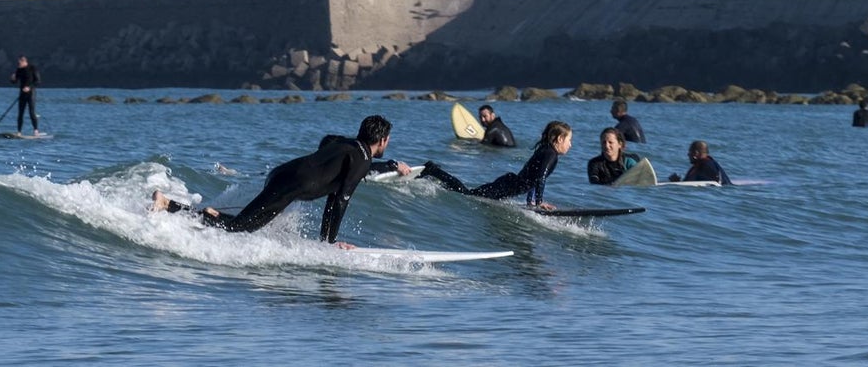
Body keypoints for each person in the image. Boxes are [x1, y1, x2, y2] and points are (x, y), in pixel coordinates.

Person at [152, 114, 393, 245]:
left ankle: (203, 212)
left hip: (283, 174)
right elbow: (339, 201)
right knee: (240, 228)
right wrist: (329, 244)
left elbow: (327, 142)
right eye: (388, 140)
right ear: (382, 140)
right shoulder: (362, 159)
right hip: (291, 184)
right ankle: (170, 205)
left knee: (246, 224)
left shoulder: (347, 144)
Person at [417, 121, 573, 210]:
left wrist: (530, 202)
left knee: (468, 193)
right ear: (560, 139)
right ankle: (433, 170)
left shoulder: (545, 150)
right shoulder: (551, 154)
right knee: (466, 194)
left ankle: (436, 176)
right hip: (508, 186)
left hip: (509, 183)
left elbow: (535, 178)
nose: (570, 145)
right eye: (569, 140)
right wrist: (539, 203)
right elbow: (540, 178)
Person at [10, 56, 41, 135]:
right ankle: (19, 131)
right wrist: (12, 79)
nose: (18, 65)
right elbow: (14, 82)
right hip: (22, 93)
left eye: (19, 63)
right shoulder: (19, 70)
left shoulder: (32, 68)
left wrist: (29, 87)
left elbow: (38, 81)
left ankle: (36, 130)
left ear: (24, 62)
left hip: (31, 93)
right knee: (20, 113)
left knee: (31, 112)